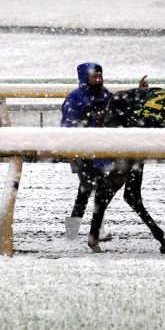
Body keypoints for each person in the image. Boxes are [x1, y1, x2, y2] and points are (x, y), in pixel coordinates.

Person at [61, 62, 112, 241]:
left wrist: (139, 90)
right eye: (94, 76)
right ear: (85, 78)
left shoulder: (106, 95)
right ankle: (77, 232)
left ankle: (76, 232)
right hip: (83, 153)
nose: (98, 79)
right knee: (86, 192)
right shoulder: (74, 98)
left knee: (97, 192)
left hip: (101, 153)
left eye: (100, 76)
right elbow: (67, 125)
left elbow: (122, 107)